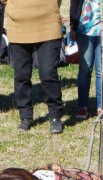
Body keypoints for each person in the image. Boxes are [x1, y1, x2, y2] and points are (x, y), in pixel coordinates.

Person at [5, 0, 65, 134]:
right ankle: (25, 116)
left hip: (48, 24)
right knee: (21, 75)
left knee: (48, 73)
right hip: (18, 26)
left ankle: (55, 116)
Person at [70, 0, 103, 120]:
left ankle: (102, 106)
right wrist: (73, 26)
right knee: (85, 68)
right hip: (85, 28)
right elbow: (75, 4)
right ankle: (82, 106)